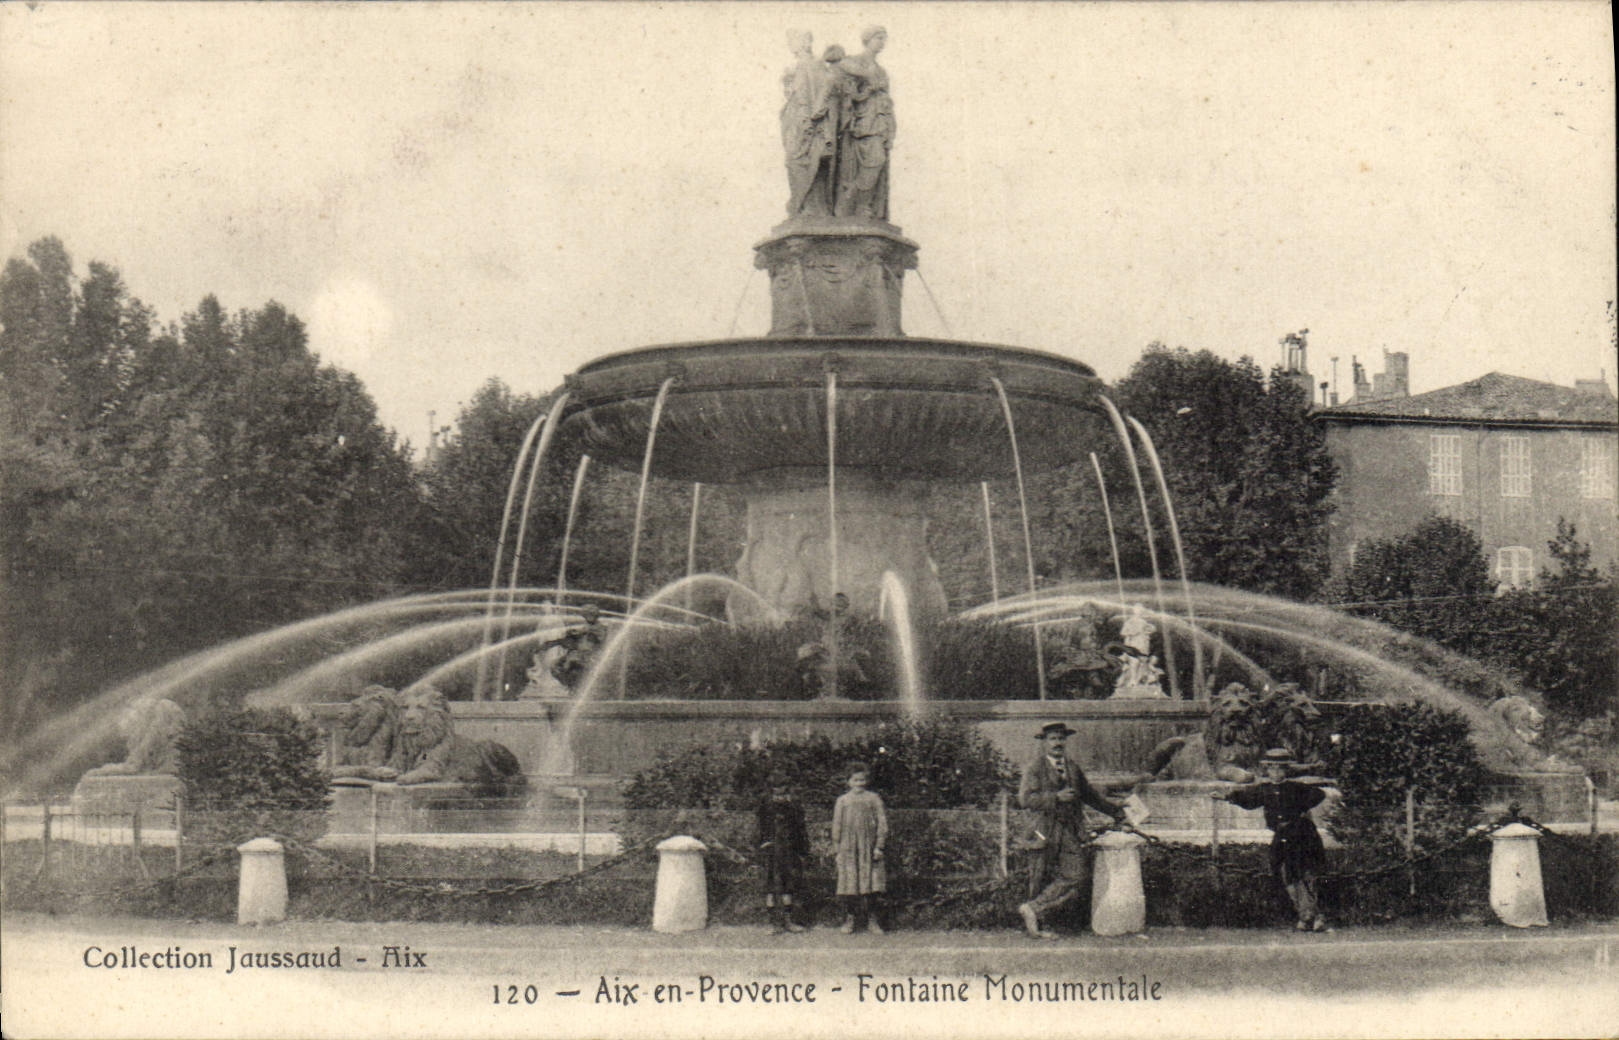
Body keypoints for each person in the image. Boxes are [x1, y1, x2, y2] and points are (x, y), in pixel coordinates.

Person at [1016, 722, 1127, 939]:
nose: (1058, 743)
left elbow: (1090, 796)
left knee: (1076, 874)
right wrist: (1055, 797)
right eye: (1053, 739)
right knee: (1039, 875)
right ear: (1044, 742)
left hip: (1069, 829)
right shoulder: (1035, 768)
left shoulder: (1072, 768)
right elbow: (1025, 799)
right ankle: (1034, 928)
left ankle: (1033, 908)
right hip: (1043, 829)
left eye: (1061, 739)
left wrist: (1117, 812)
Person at [1212, 747, 1330, 932]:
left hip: (1302, 834)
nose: (1275, 772)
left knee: (1306, 873)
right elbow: (1248, 798)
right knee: (1285, 872)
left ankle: (1315, 915)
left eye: (1280, 768)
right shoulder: (1264, 789)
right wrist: (1227, 797)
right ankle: (1304, 914)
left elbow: (1319, 794)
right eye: (1271, 768)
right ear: (1267, 770)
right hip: (1282, 836)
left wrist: (1299, 810)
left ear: (1286, 770)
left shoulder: (1296, 787)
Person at [831, 26, 895, 220]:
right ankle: (854, 204)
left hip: (880, 121)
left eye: (884, 39)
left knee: (878, 163)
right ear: (867, 39)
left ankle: (862, 205)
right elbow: (841, 66)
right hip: (864, 123)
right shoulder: (856, 61)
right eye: (879, 38)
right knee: (874, 161)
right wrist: (867, 77)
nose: (882, 42)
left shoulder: (881, 70)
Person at [780, 30, 841, 217]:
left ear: (806, 42)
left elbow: (818, 93)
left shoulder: (812, 65)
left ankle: (810, 206)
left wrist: (809, 118)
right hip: (796, 123)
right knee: (794, 162)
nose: (791, 45)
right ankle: (804, 205)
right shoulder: (801, 66)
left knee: (803, 161)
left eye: (795, 40)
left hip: (808, 126)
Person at [832, 760, 888, 934]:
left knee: (871, 884)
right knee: (849, 883)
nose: (859, 784)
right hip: (848, 848)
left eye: (862, 780)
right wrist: (837, 848)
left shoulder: (873, 798)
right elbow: (837, 825)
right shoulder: (842, 800)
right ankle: (850, 919)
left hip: (868, 847)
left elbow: (882, 822)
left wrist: (879, 846)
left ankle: (872, 920)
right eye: (855, 780)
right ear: (848, 781)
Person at [756, 770, 810, 934]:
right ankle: (772, 922)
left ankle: (788, 920)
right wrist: (763, 842)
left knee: (789, 883)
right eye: (775, 787)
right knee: (770, 884)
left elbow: (800, 826)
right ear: (770, 788)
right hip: (771, 847)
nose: (779, 790)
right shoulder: (765, 802)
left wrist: (803, 848)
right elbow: (760, 825)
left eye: (783, 786)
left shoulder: (793, 802)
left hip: (789, 847)